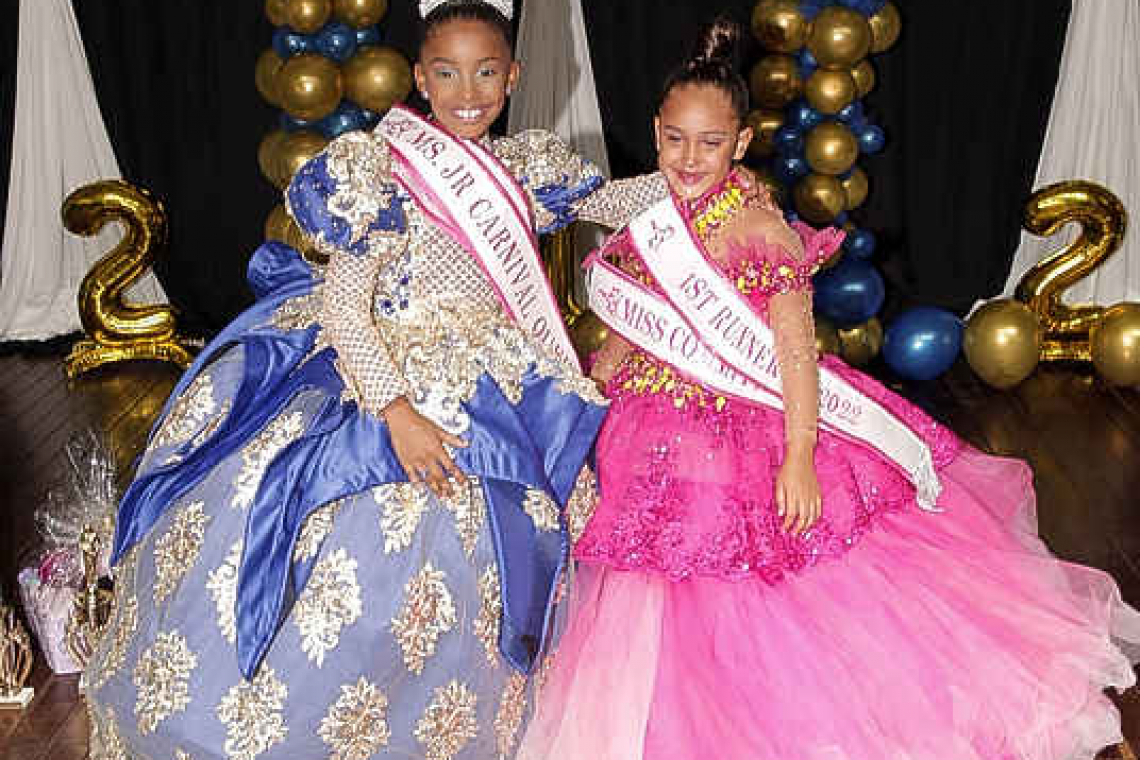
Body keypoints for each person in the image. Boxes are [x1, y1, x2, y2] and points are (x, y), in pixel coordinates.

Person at [519, 18, 1140, 760]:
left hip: (747, 425)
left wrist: (800, 454)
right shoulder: (646, 211)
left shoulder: (762, 232)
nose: (690, 157)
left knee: (753, 586)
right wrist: (590, 391)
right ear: (655, 132)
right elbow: (618, 311)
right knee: (643, 584)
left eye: (710, 142)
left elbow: (792, 356)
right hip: (646, 423)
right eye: (675, 139)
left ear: (740, 143)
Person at [83, 1, 675, 757]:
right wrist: (395, 412)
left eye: (487, 71)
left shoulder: (526, 164)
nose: (469, 89)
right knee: (366, 575)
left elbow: (606, 202)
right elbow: (342, 306)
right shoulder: (380, 171)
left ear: (513, 76)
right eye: (450, 72)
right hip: (385, 374)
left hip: (492, 379)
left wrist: (695, 179)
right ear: (421, 79)